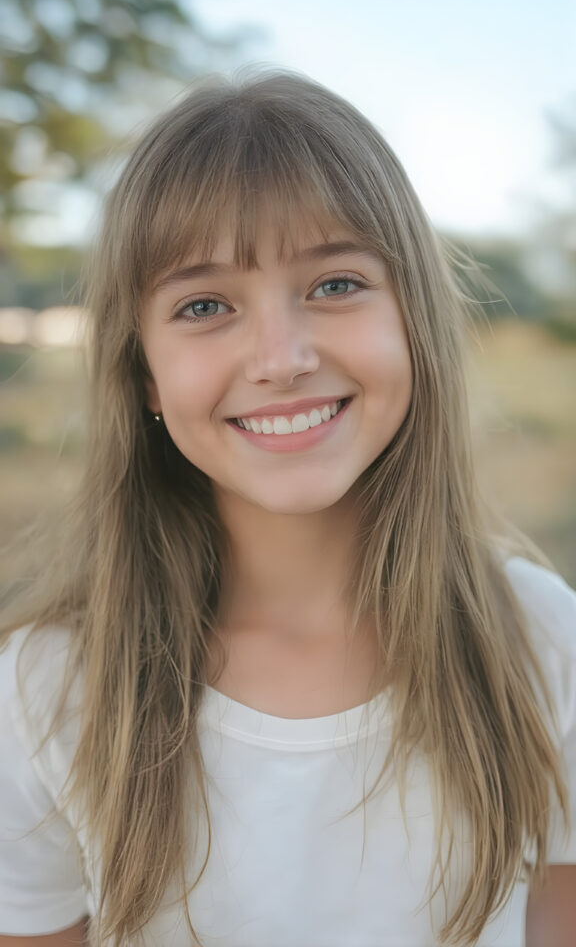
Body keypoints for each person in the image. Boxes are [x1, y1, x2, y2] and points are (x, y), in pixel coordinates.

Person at [0, 71, 574, 947]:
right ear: (145, 374)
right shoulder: (45, 694)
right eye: (204, 305)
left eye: (334, 285)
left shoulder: (542, 644)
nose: (280, 358)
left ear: (414, 315)